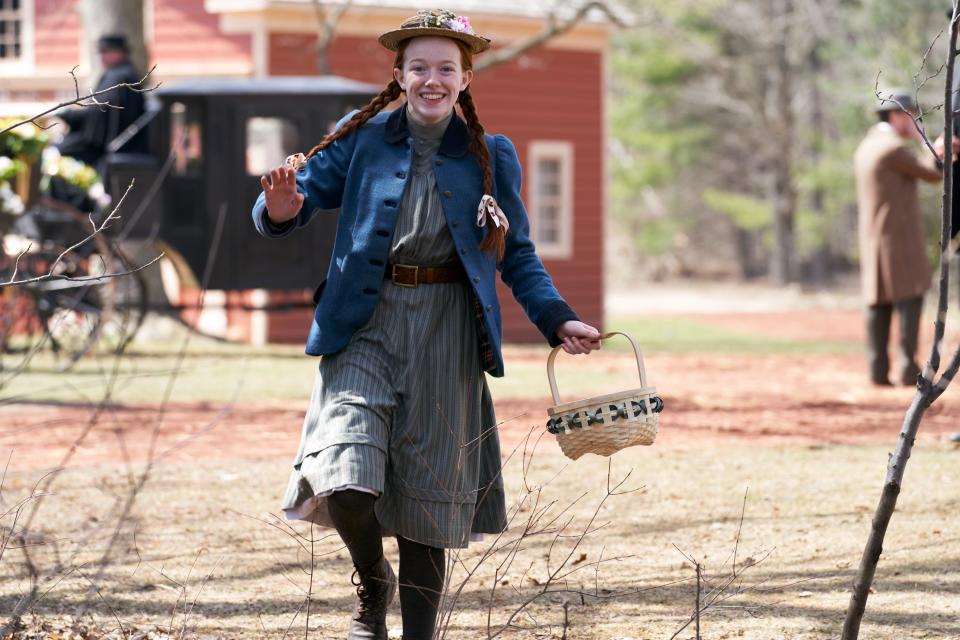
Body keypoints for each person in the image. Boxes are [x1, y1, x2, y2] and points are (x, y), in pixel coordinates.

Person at [251, 10, 601, 639]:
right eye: (420, 68)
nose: (431, 79)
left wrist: (558, 318)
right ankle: (372, 583)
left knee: (426, 500)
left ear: (466, 78)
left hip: (447, 334)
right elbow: (290, 201)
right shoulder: (361, 137)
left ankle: (416, 632)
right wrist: (278, 208)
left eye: (446, 68)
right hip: (364, 325)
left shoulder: (490, 155)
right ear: (400, 74)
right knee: (346, 476)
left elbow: (515, 253)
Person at [854, 89, 950, 386]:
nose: (914, 120)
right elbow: (934, 173)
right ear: (897, 116)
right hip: (899, 238)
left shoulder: (867, 145)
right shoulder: (893, 147)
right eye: (910, 115)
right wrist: (929, 143)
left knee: (878, 301)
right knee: (910, 296)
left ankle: (877, 370)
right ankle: (909, 370)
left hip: (873, 239)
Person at [57, 34, 147, 170]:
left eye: (106, 52)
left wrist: (71, 115)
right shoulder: (119, 73)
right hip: (106, 143)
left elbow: (100, 111)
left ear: (119, 53)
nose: (102, 57)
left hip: (106, 147)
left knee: (59, 151)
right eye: (101, 52)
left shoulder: (120, 76)